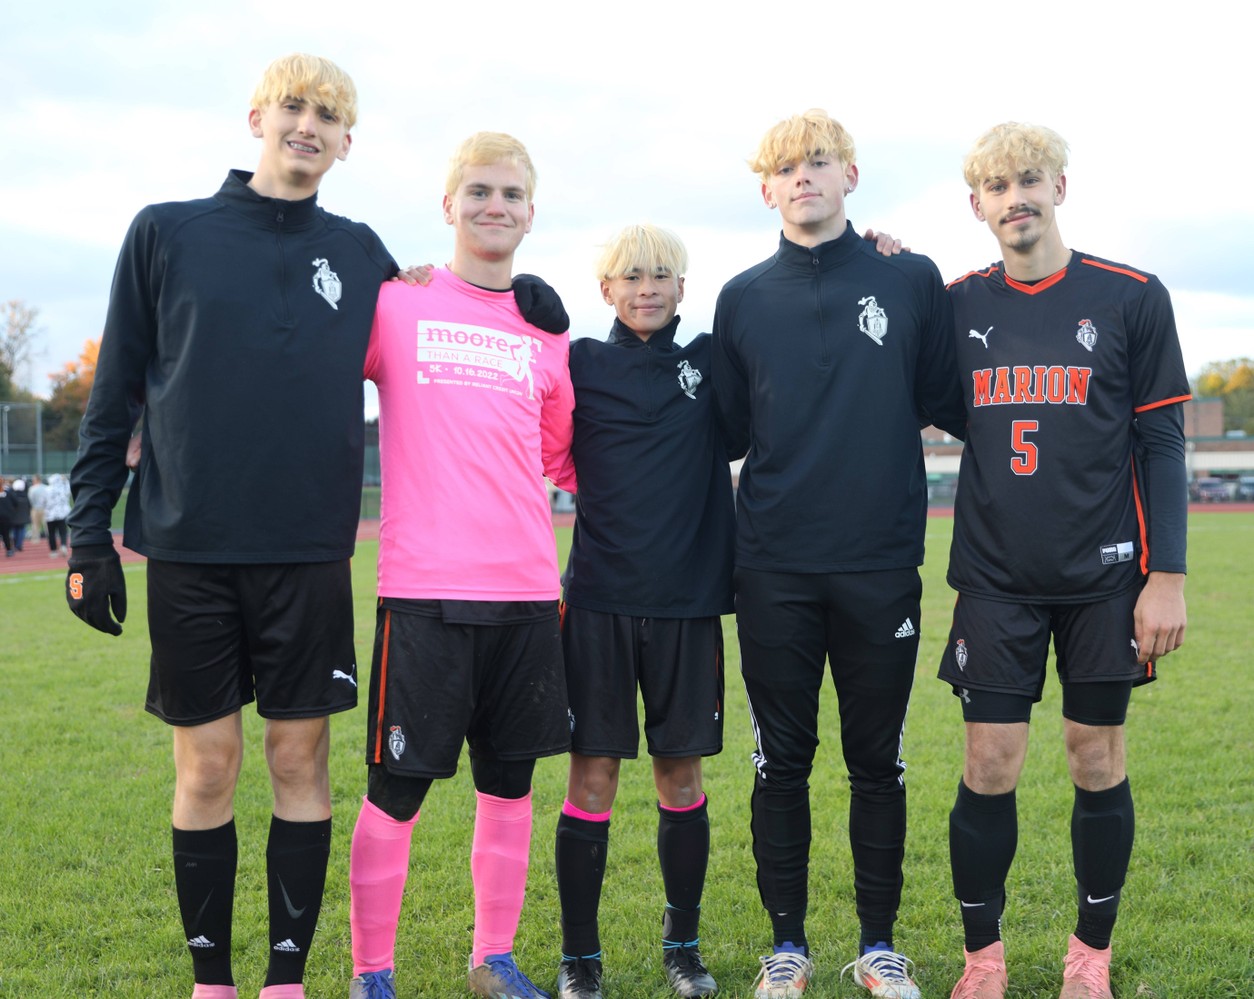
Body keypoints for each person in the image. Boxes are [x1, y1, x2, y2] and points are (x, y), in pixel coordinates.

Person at [65, 54, 397, 999]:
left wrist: (525, 305)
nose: (308, 124)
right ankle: (212, 981)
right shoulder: (167, 232)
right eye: (294, 106)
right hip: (190, 548)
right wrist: (89, 536)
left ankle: (285, 981)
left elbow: (437, 324)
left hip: (306, 552)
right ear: (258, 115)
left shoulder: (362, 251)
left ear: (346, 141)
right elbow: (114, 390)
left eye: (328, 115)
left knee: (301, 757)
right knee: (207, 765)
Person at [711, 109, 966, 999]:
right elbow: (728, 429)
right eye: (787, 166)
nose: (804, 176)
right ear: (766, 187)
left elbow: (953, 395)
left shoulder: (909, 278)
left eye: (820, 161)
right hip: (774, 563)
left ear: (850, 174)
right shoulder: (741, 296)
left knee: (877, 760)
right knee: (779, 761)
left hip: (881, 561)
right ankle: (786, 947)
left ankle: (878, 945)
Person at [940, 123, 1189, 999]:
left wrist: (1169, 575)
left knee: (1096, 756)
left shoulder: (1131, 296)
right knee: (989, 764)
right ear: (976, 204)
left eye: (1031, 179)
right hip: (996, 580)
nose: (1017, 197)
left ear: (1060, 186)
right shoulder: (956, 303)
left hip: (1105, 580)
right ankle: (984, 960)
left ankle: (1090, 958)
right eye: (998, 185)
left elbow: (1161, 441)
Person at [346, 131, 575, 999]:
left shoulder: (545, 334)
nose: (495, 206)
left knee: (508, 786)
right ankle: (374, 970)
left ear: (529, 211)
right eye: (478, 191)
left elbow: (561, 457)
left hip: (525, 591)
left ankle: (494, 958)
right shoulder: (395, 305)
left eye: (511, 194)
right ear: (449, 206)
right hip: (424, 590)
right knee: (397, 790)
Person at [552, 225, 735, 999]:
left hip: (689, 602)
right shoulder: (580, 363)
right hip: (597, 599)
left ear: (683, 288)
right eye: (631, 276)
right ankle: (580, 957)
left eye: (662, 274)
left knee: (679, 773)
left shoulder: (711, 363)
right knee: (592, 774)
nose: (647, 287)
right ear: (607, 290)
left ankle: (683, 946)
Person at [44, 472, 72, 557]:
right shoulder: (63, 489)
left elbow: (43, 501)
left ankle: (53, 551)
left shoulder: (47, 489)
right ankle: (63, 545)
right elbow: (69, 489)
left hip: (50, 515)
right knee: (63, 532)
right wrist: (65, 481)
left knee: (51, 533)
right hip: (62, 514)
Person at [8, 477, 31, 552]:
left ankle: (15, 545)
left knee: (15, 531)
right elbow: (29, 506)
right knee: (21, 530)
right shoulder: (25, 495)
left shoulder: (12, 495)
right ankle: (19, 545)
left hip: (14, 517)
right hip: (23, 517)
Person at [28, 474, 47, 540]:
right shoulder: (46, 487)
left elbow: (31, 499)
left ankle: (35, 539)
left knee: (35, 525)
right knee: (46, 525)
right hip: (44, 508)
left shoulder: (32, 488)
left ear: (37, 480)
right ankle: (50, 538)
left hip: (35, 508)